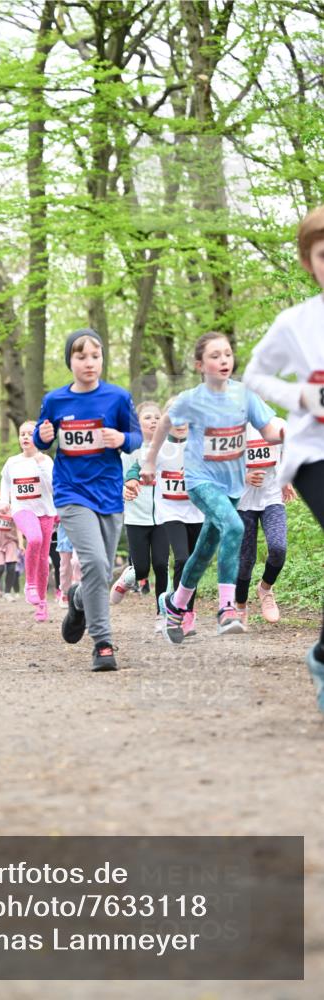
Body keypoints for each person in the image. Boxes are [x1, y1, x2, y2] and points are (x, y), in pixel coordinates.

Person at [140, 331, 283, 644]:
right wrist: (150, 460)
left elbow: (271, 430)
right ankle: (226, 608)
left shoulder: (244, 396)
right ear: (199, 365)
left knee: (203, 552)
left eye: (228, 354)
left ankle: (174, 605)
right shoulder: (192, 400)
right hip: (200, 481)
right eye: (215, 356)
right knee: (234, 527)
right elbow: (165, 423)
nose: (223, 361)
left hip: (231, 487)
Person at [243, 205, 324, 711]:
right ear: (309, 262)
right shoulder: (295, 323)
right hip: (315, 453)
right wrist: (298, 398)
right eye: (322, 254)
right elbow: (254, 374)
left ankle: (321, 654)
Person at [34, 327, 141, 670]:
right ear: (70, 361)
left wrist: (120, 437)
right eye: (81, 356)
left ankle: (79, 599)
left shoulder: (117, 397)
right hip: (71, 492)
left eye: (95, 356)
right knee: (95, 562)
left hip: (108, 492)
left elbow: (136, 437)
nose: (89, 362)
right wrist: (43, 435)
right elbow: (41, 437)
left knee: (100, 570)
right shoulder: (55, 400)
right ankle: (103, 643)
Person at [123, 401, 203, 636]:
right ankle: (176, 613)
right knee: (181, 559)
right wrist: (131, 481)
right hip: (170, 514)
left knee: (194, 565)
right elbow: (134, 470)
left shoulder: (200, 447)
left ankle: (187, 611)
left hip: (196, 513)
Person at [112, 401, 169, 633]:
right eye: (148, 417)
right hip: (136, 516)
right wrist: (123, 489)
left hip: (165, 516)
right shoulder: (128, 451)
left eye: (157, 417)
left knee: (161, 565)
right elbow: (115, 478)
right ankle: (127, 579)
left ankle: (162, 615)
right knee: (142, 568)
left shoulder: (169, 448)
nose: (154, 421)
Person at [235, 419, 292, 626]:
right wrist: (244, 476)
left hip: (272, 497)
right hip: (243, 502)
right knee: (245, 560)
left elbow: (289, 455)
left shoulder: (278, 425)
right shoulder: (232, 427)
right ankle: (240, 605)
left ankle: (265, 589)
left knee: (278, 547)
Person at [0, 420, 55, 622]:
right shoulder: (12, 462)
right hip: (22, 509)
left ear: (38, 437)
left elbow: (53, 486)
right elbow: (5, 483)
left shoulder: (46, 461)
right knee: (35, 539)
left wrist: (41, 466)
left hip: (46, 512)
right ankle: (29, 584)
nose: (25, 437)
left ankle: (42, 604)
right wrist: (4, 502)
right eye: (22, 434)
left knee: (42, 559)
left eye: (30, 433)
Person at [0, 497, 20, 601]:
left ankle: (7, 592)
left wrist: (21, 543)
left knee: (11, 567)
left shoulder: (17, 507)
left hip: (10, 540)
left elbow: (19, 527)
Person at [55, 522, 81, 608]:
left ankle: (78, 590)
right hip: (65, 525)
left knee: (77, 562)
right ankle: (65, 592)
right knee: (65, 565)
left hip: (83, 525)